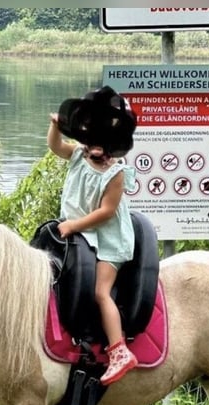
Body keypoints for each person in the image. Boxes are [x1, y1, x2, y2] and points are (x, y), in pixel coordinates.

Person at [47, 85, 139, 385]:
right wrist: (55, 129)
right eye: (92, 143)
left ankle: (118, 350)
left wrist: (74, 225)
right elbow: (55, 148)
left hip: (108, 238)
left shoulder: (115, 174)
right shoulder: (77, 155)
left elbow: (107, 211)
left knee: (101, 291)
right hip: (83, 234)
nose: (96, 150)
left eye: (103, 146)